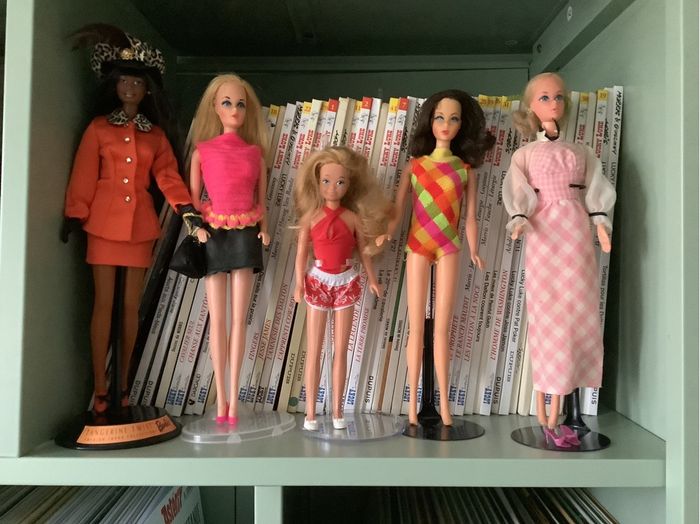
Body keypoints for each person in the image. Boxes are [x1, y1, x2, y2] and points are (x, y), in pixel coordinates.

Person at [63, 26, 196, 414]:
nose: (130, 88)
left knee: (129, 308)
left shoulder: (154, 136)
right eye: (124, 81)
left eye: (137, 83)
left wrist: (184, 207)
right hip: (103, 224)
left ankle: (123, 386)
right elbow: (84, 173)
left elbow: (167, 175)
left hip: (139, 225)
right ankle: (101, 387)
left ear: (147, 89)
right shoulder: (98, 128)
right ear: (114, 85)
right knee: (103, 305)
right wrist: (76, 211)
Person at [502, 72, 616, 445]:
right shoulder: (524, 154)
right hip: (542, 235)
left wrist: (600, 224)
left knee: (580, 310)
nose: (553, 104)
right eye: (544, 98)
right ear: (530, 106)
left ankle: (571, 405)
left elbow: (595, 189)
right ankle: (547, 408)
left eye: (558, 97)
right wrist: (519, 219)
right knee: (545, 312)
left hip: (575, 233)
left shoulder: (581, 152)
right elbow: (518, 192)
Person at [377, 90, 494, 426]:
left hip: (449, 246)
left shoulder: (465, 170)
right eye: (440, 117)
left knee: (442, 329)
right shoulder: (415, 166)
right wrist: (387, 233)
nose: (446, 125)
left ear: (462, 125)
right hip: (417, 244)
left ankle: (444, 404)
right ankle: (412, 405)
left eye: (454, 119)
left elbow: (471, 217)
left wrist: (474, 249)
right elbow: (398, 208)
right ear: (429, 121)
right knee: (415, 328)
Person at [186, 74, 270, 425]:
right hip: (213, 234)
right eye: (227, 103)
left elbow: (262, 202)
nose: (234, 110)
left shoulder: (255, 154)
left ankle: (234, 400)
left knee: (239, 319)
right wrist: (196, 228)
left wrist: (264, 230)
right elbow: (192, 202)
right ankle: (220, 398)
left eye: (240, 104)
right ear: (214, 108)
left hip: (246, 233)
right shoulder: (202, 151)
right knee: (217, 319)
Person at [293, 146, 391, 430]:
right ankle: (311, 413)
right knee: (314, 349)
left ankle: (337, 411)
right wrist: (298, 284)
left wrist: (372, 280)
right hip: (318, 280)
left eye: (340, 182)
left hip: (346, 280)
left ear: (349, 185)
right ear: (316, 182)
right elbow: (300, 255)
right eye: (326, 181)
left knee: (341, 349)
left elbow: (364, 253)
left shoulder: (352, 218)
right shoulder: (310, 218)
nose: (332, 187)